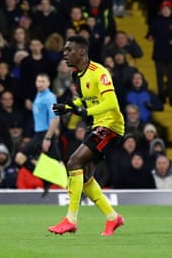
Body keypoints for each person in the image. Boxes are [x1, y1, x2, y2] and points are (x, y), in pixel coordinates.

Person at [51, 36, 125, 236]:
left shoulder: (99, 72)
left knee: (74, 162)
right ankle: (112, 217)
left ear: (81, 52)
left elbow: (112, 104)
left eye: (69, 50)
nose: (64, 53)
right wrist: (68, 107)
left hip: (111, 126)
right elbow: (86, 99)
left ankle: (70, 219)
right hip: (99, 125)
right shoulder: (77, 75)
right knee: (84, 177)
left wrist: (85, 113)